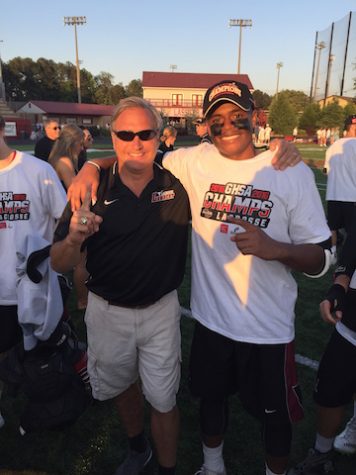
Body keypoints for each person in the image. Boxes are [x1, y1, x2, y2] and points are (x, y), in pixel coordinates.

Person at [66, 83, 324, 475]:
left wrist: (277, 249)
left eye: (237, 115)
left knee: (275, 419)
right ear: (205, 126)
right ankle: (212, 467)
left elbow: (321, 258)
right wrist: (89, 165)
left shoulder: (290, 170)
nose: (228, 125)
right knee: (211, 401)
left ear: (256, 116)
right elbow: (134, 157)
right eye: (217, 119)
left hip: (268, 329)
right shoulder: (191, 160)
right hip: (211, 321)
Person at [50, 97, 191, 475]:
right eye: (125, 134)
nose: (136, 142)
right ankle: (137, 447)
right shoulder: (89, 190)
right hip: (107, 311)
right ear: (112, 137)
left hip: (160, 311)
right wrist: (74, 240)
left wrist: (280, 147)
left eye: (145, 133)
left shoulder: (179, 182)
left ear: (159, 136)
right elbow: (57, 262)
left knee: (163, 399)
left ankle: (167, 469)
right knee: (122, 385)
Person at [0, 115, 66, 427]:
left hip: (36, 289)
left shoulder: (38, 171)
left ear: (2, 130)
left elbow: (63, 222)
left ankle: (46, 411)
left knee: (42, 360)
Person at [289, 229, 356, 474]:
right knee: (330, 390)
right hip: (352, 324)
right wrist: (339, 286)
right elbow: (353, 245)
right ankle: (321, 451)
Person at [48, 124, 88, 310]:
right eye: (80, 143)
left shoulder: (58, 158)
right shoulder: (64, 161)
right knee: (81, 259)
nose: (82, 148)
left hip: (61, 213)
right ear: (73, 142)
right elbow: (76, 188)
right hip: (66, 214)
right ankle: (82, 301)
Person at [323, 114, 356, 261]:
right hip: (352, 196)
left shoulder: (333, 146)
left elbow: (326, 171)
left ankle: (333, 253)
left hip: (334, 195)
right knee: (353, 231)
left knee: (333, 227)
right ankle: (350, 258)